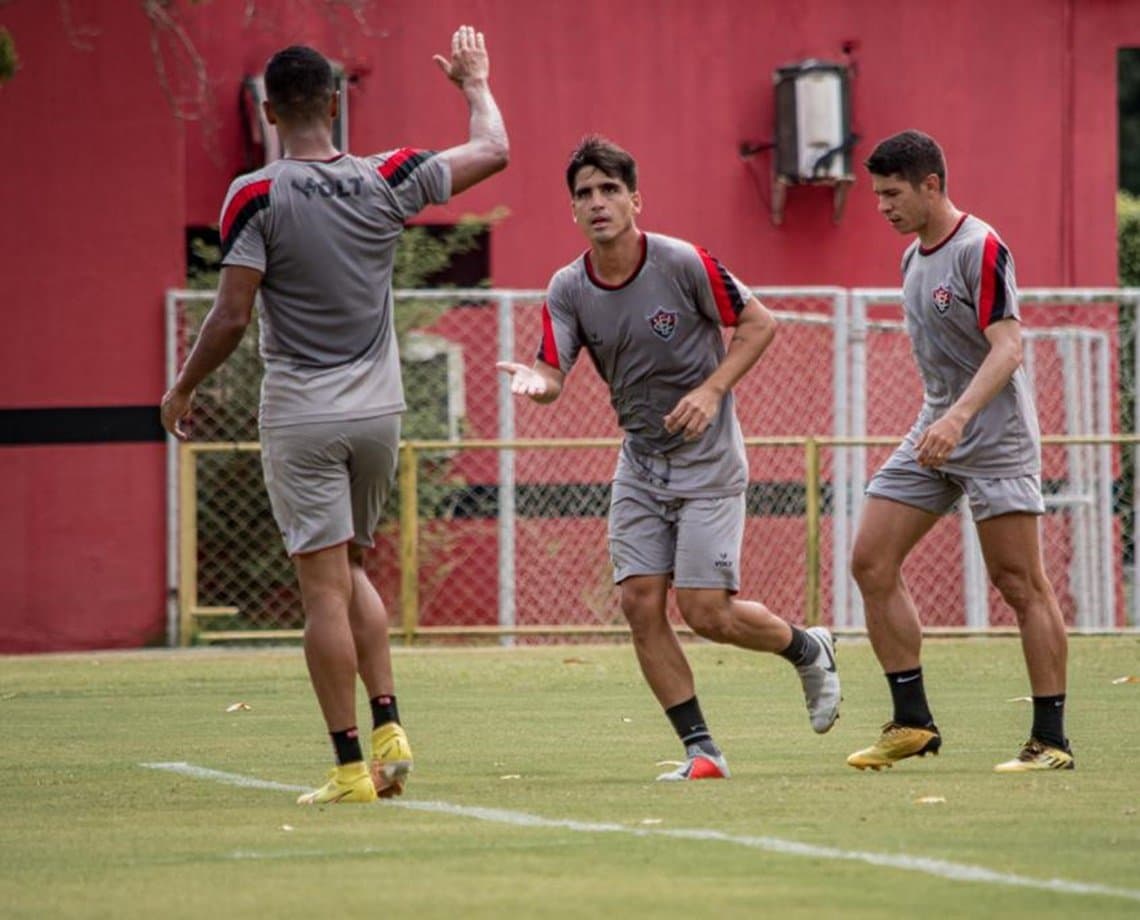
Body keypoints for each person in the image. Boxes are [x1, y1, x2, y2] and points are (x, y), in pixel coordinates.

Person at [160, 28, 508, 804]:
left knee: (321, 592)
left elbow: (229, 316)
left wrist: (182, 388)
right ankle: (389, 724)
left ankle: (350, 766)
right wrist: (474, 83)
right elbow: (493, 149)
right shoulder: (386, 176)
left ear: (268, 111)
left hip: (302, 413)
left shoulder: (255, 192)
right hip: (380, 413)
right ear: (335, 102)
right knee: (352, 569)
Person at [497, 136, 840, 782]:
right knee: (639, 601)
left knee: (707, 613)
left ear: (635, 199)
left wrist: (712, 391)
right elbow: (551, 371)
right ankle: (702, 752)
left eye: (609, 190)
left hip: (709, 461)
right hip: (641, 462)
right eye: (584, 195)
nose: (597, 203)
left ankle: (807, 646)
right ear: (572, 211)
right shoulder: (568, 288)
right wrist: (535, 386)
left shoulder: (682, 263)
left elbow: (760, 323)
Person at [848, 129, 1072, 773]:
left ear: (932, 185)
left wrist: (961, 417)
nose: (883, 207)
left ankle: (1051, 743)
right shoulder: (912, 258)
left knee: (1020, 583)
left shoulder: (981, 247)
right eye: (877, 196)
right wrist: (942, 420)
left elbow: (1009, 347)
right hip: (936, 428)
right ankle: (913, 724)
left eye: (893, 194)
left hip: (993, 434)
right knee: (871, 559)